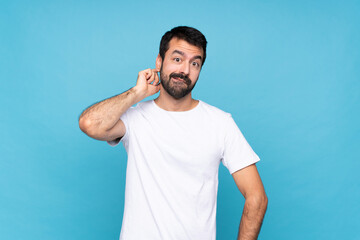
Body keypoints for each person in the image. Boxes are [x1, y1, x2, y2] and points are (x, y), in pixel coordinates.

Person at [79, 26, 267, 240]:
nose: (185, 70)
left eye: (194, 63)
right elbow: (89, 123)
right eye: (177, 59)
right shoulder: (135, 119)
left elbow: (256, 197)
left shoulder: (220, 123)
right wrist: (136, 93)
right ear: (159, 61)